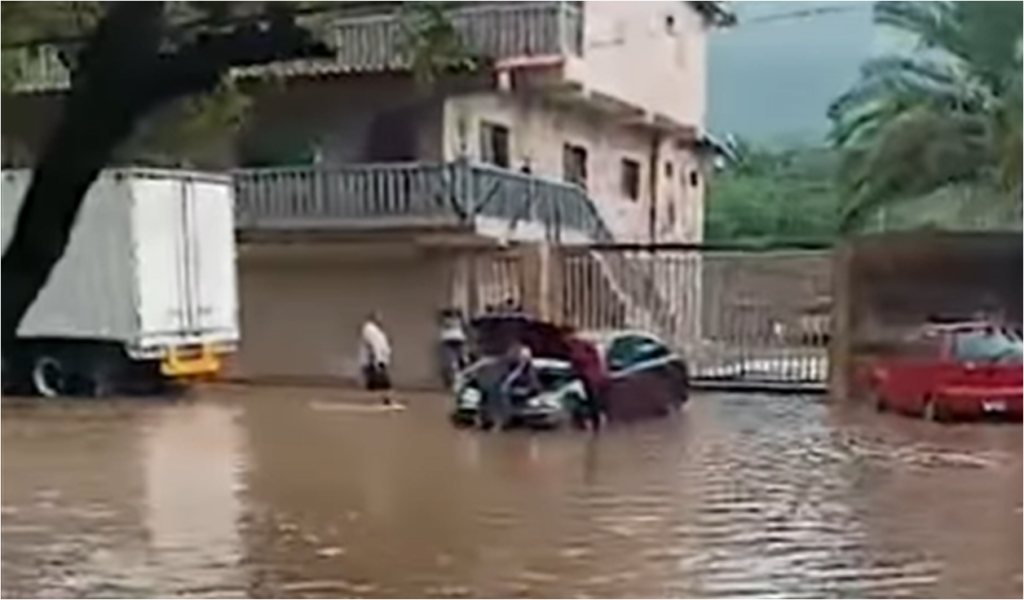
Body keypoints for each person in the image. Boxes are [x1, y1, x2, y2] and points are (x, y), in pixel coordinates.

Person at [359, 311, 393, 403]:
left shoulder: (377, 331)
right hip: (375, 360)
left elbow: (382, 346)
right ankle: (384, 398)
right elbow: (375, 345)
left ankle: (383, 398)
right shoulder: (370, 329)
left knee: (376, 382)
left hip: (379, 359)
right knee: (382, 381)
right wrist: (379, 360)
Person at [438, 309, 468, 386]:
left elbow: (464, 325)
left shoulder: (459, 323)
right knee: (451, 362)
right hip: (448, 341)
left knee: (462, 360)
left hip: (459, 341)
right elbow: (446, 323)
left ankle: (461, 378)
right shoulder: (446, 322)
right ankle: (452, 380)